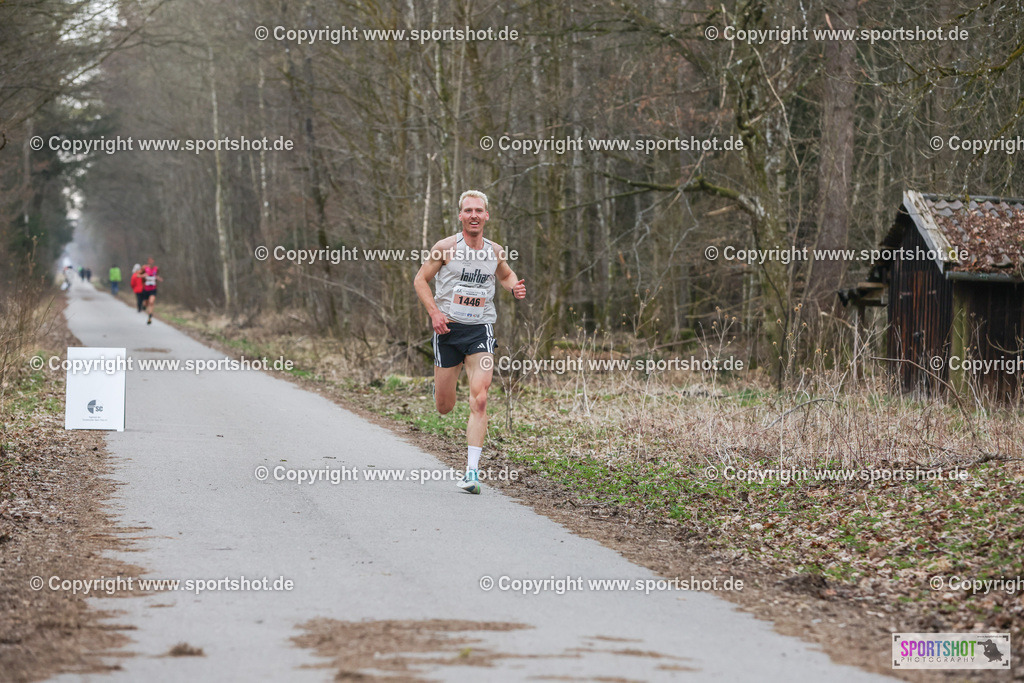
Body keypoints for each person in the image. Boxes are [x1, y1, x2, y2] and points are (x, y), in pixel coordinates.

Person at [413, 190, 526, 494]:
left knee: (480, 398)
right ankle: (444, 389)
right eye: (468, 210)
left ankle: (472, 473)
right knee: (444, 406)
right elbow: (420, 280)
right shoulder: (445, 248)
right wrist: (434, 313)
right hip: (448, 331)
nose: (474, 215)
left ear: (487, 216)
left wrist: (514, 286)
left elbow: (505, 275)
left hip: (480, 331)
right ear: (460, 216)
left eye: (479, 210)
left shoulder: (495, 251)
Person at [142, 257, 163, 324]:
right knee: (146, 303)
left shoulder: (156, 268)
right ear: (148, 261)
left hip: (153, 289)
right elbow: (138, 275)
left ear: (153, 261)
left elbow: (157, 276)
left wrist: (158, 278)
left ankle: (149, 318)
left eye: (152, 260)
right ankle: (144, 306)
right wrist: (143, 276)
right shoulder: (144, 268)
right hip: (146, 289)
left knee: (151, 302)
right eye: (149, 260)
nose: (151, 262)